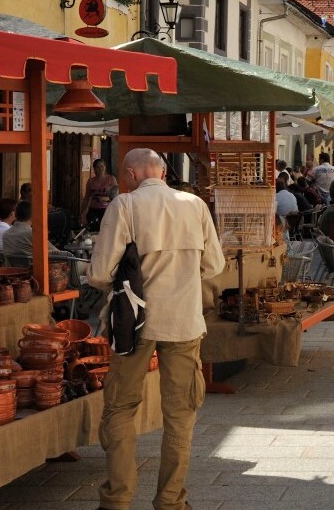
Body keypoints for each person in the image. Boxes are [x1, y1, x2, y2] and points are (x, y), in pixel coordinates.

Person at [91, 148, 224, 510]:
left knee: (120, 409)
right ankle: (170, 501)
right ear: (163, 173)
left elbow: (100, 273)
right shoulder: (194, 204)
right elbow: (214, 264)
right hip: (184, 320)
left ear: (131, 174)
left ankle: (117, 500)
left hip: (133, 325)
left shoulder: (125, 205)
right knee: (180, 414)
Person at [84, 159, 118, 231]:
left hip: (107, 209)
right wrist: (82, 213)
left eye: (102, 166)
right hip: (93, 210)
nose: (101, 169)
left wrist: (105, 199)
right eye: (98, 167)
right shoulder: (91, 181)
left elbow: (116, 196)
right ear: (94, 168)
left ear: (105, 167)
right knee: (93, 230)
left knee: (106, 231)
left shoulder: (111, 179)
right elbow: (86, 198)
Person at [274, 173, 300, 239]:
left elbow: (273, 212)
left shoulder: (276, 197)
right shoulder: (292, 195)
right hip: (294, 224)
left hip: (282, 226)